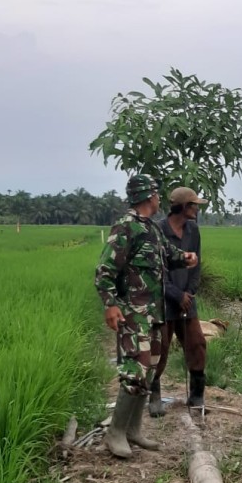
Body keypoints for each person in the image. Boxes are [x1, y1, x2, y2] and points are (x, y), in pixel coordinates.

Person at [94, 173, 197, 459]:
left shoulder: (151, 228)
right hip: (133, 315)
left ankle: (133, 430)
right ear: (148, 196)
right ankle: (114, 433)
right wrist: (110, 304)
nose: (159, 198)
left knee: (149, 369)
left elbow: (165, 253)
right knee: (134, 372)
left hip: (154, 313)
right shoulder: (126, 226)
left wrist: (184, 257)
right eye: (155, 194)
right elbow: (104, 270)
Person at [150, 186, 208, 417]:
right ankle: (154, 397)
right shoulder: (157, 230)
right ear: (183, 207)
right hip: (163, 302)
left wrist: (189, 293)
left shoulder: (193, 230)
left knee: (197, 343)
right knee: (160, 348)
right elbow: (155, 272)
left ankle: (196, 395)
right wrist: (176, 294)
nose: (197, 209)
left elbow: (196, 264)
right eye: (194, 205)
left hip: (187, 299)